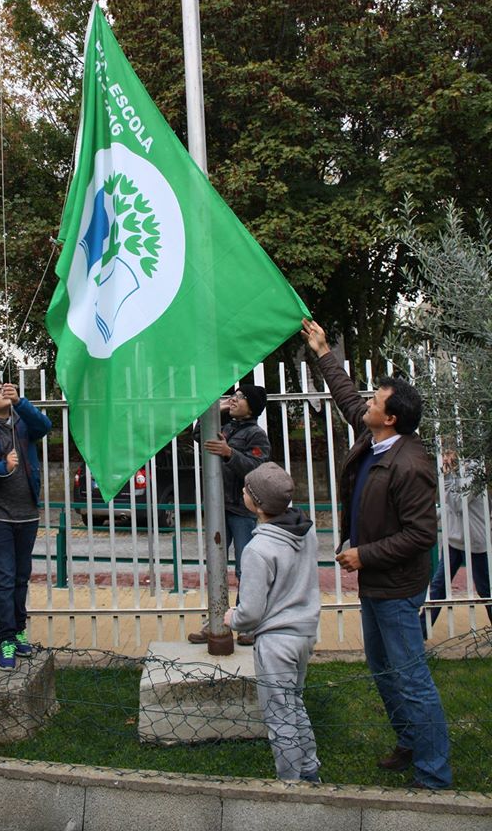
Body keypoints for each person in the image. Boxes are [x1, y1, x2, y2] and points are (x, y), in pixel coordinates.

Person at [301, 318, 451, 789]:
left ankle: (434, 774)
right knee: (383, 670)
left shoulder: (411, 464)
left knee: (411, 677)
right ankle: (410, 741)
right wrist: (324, 351)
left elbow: (421, 534)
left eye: (376, 402)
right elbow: (348, 397)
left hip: (397, 587)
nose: (367, 403)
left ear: (391, 418)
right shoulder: (374, 438)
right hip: (377, 584)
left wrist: (365, 555)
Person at [225, 462, 321, 782]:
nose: (242, 492)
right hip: (305, 634)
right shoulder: (306, 533)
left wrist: (233, 619)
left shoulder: (257, 549)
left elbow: (250, 612)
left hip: (276, 642)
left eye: (247, 490)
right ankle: (309, 770)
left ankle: (289, 784)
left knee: (279, 716)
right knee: (295, 702)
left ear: (257, 504)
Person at [0, 378, 52, 671]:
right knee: (3, 580)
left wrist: (20, 401)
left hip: (27, 513)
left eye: (2, 388)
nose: (1, 392)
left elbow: (44, 427)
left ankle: (19, 631)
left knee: (21, 577)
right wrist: (2, 467)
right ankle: (5, 639)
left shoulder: (22, 421)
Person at [188, 385, 271, 646]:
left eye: (241, 398)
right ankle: (215, 621)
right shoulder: (227, 428)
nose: (234, 399)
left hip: (241, 511)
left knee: (246, 570)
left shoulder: (256, 435)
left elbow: (257, 468)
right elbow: (199, 434)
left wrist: (230, 453)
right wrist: (219, 408)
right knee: (216, 565)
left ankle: (247, 624)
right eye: (234, 396)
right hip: (219, 509)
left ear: (253, 406)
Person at [422, 451, 492, 636]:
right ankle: (421, 630)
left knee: (486, 590)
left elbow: (458, 503)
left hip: (475, 542)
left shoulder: (475, 473)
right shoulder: (452, 472)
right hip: (454, 541)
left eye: (448, 453)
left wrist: (446, 477)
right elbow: (447, 505)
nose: (444, 458)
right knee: (438, 586)